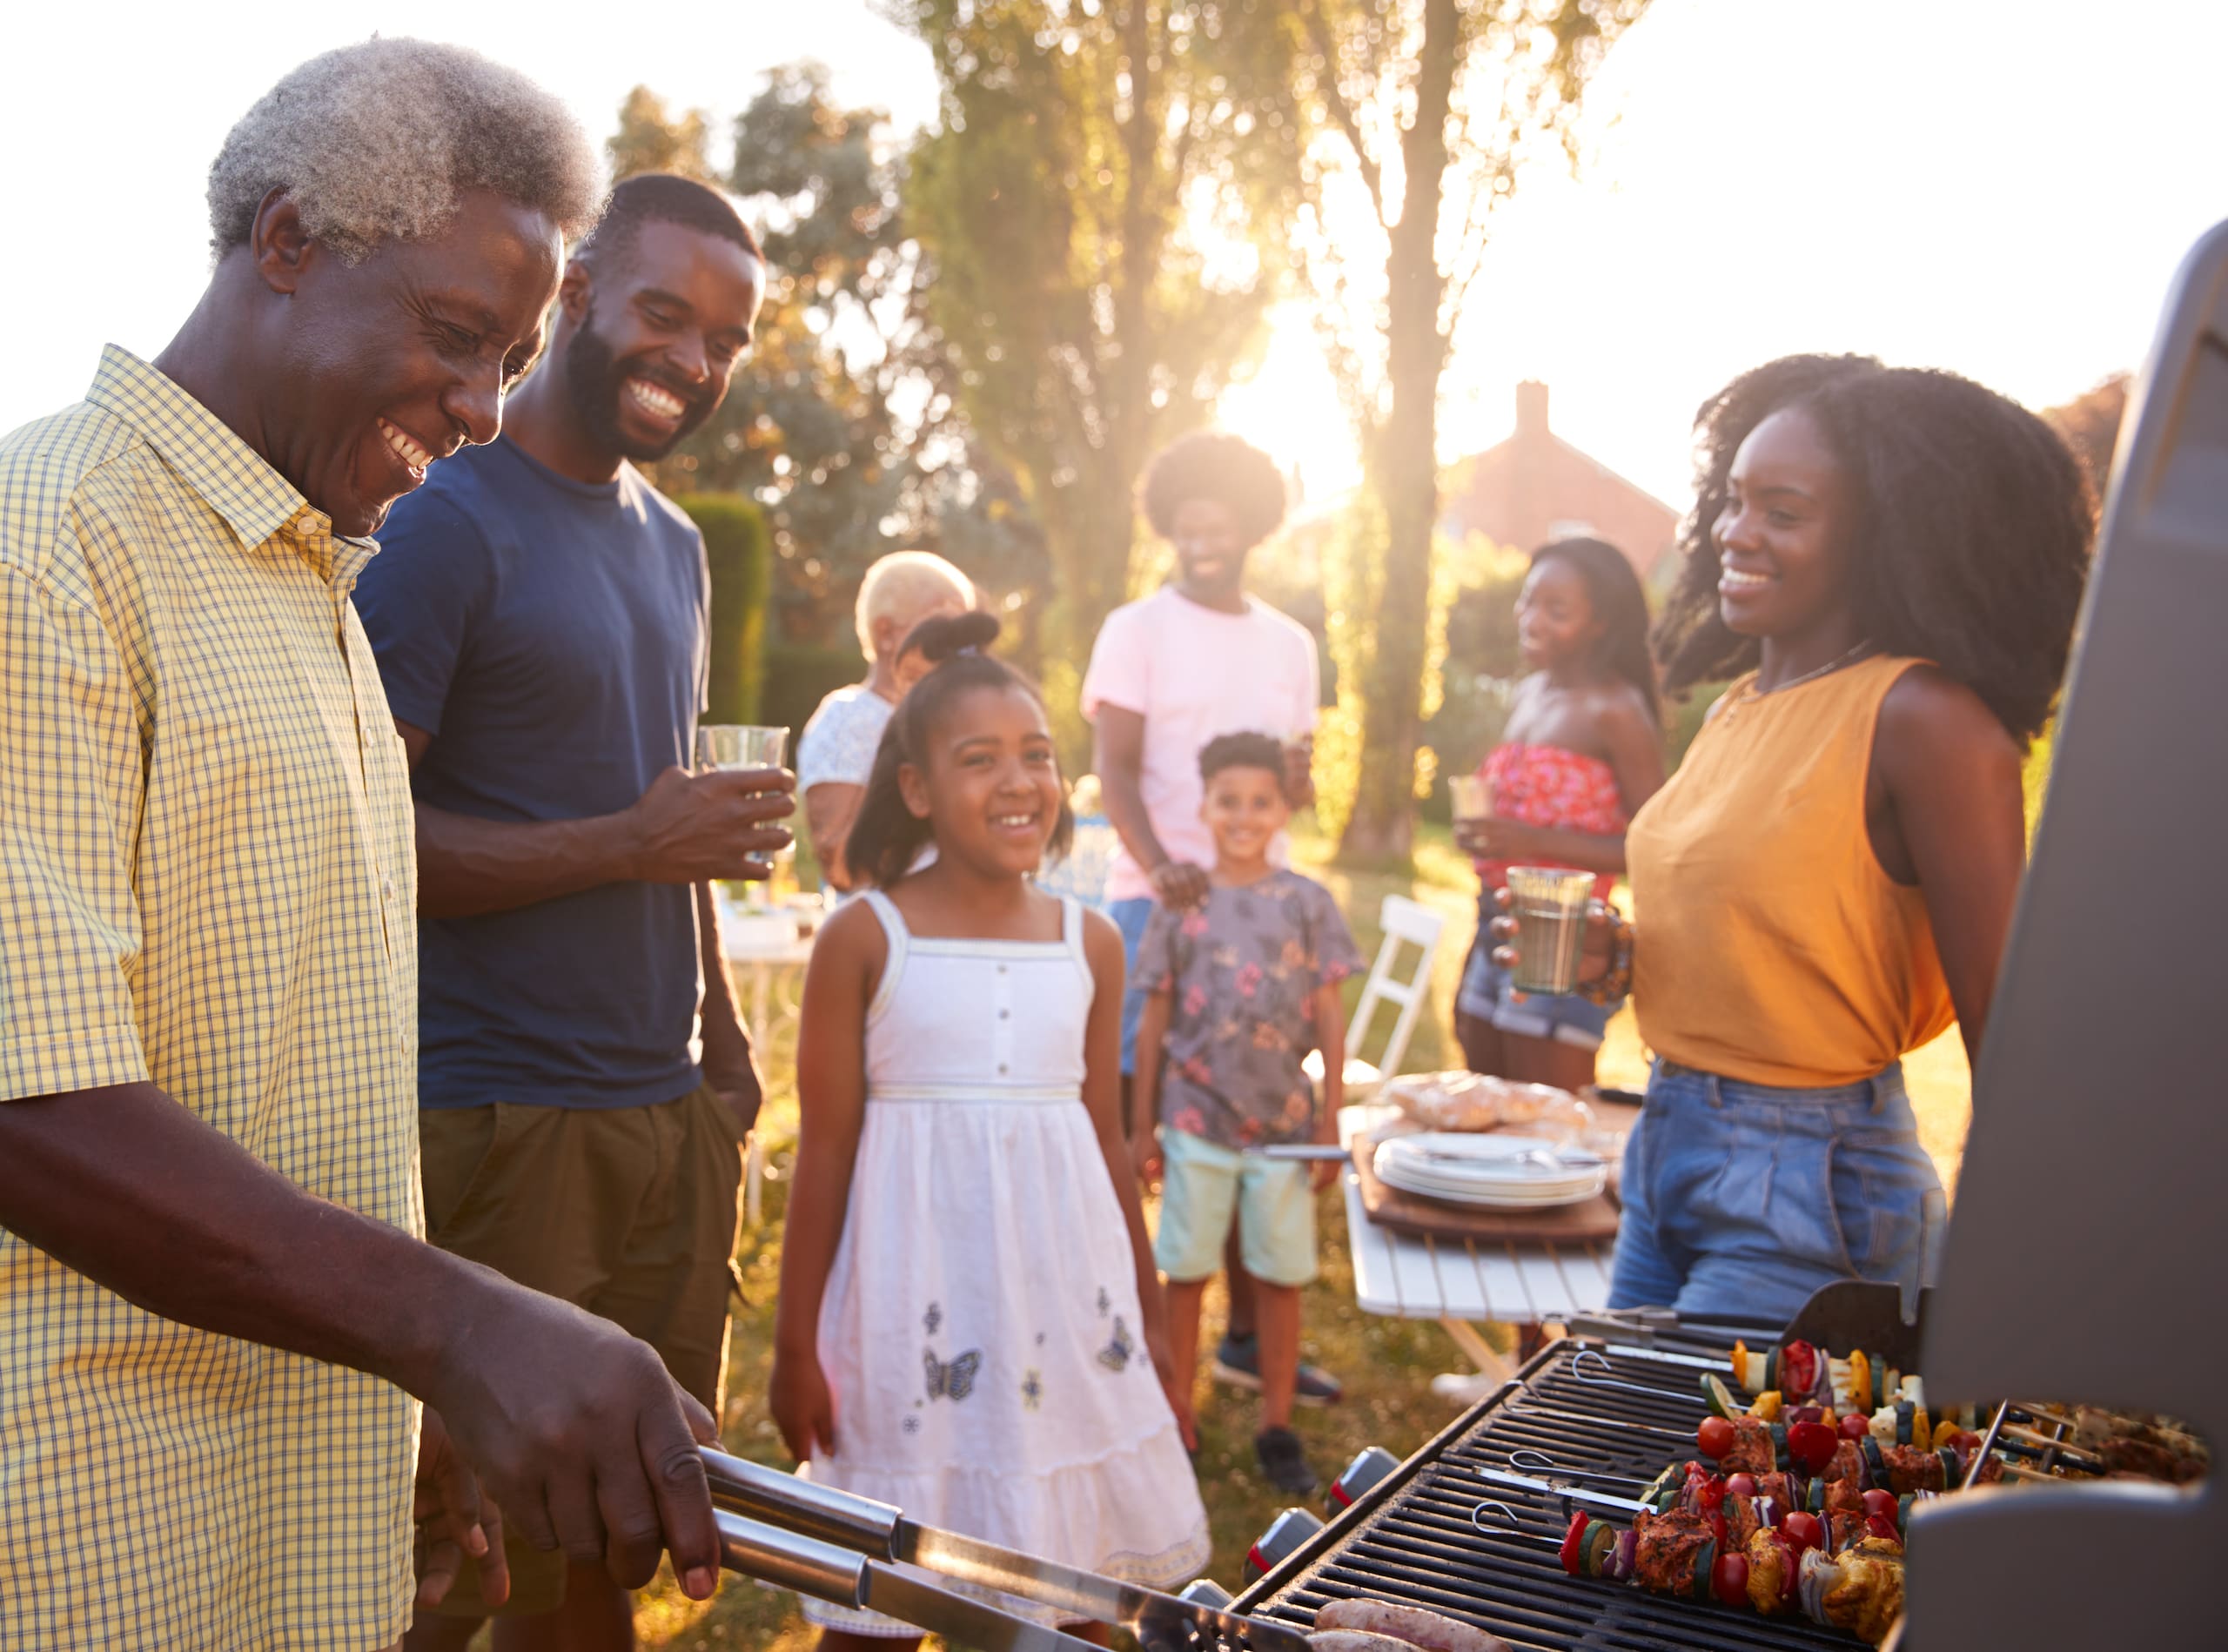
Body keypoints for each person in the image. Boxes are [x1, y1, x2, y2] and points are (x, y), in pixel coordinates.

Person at [0, 40, 730, 1651]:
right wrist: (456, 1322)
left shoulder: (317, 574)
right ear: (286, 241)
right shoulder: (44, 544)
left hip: (294, 1484)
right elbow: (32, 1103)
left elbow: (296, 1062)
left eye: (511, 356)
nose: (482, 411)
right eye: (459, 338)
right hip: (97, 1523)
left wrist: (412, 1395)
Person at [352, 171, 789, 1651]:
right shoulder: (441, 521)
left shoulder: (677, 542)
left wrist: (722, 1053)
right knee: (464, 1567)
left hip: (664, 1113)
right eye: (666, 312)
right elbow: (362, 847)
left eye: (727, 339)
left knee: (613, 1536)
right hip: (499, 1119)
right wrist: (627, 840)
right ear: (582, 291)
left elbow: (669, 826)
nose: (693, 360)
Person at [1495, 354, 2092, 1324]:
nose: (1735, 531)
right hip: (1664, 1155)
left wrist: (2007, 1277)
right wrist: (1620, 958)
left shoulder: (1925, 719)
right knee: (1623, 1460)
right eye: (1733, 500)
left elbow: (2008, 1025)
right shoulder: (1741, 705)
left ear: (1879, 536)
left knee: (1687, 1463)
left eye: (1782, 510)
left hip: (1812, 1194)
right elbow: (1782, 934)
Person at [771, 612, 1209, 1649]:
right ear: (916, 787)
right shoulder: (863, 936)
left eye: (1039, 756)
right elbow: (825, 1152)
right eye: (980, 760)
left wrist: (1151, 1318)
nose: (1019, 781)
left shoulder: (1091, 943)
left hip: (1069, 1313)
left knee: (1086, 1596)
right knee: (875, 1606)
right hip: (909, 1315)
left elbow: (1106, 1145)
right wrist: (795, 1342)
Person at [1081, 430, 1342, 1407]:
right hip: (1154, 902)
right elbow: (1112, 764)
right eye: (1186, 520)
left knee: (1251, 1111)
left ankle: (1239, 1338)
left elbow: (1286, 779)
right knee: (1135, 1114)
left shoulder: (1288, 644)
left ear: (1249, 524)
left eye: (1218, 520)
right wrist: (1163, 865)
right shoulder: (1135, 628)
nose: (1203, 536)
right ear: (1169, 522)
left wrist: (1294, 792)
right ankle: (1125, 1331)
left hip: (1257, 916)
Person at [1131, 734, 1363, 1494]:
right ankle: (1176, 1415)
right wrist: (1141, 1126)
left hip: (1285, 1127)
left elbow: (1329, 1016)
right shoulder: (1183, 902)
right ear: (1202, 805)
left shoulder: (1307, 903)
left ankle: (1276, 1425)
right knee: (1187, 1269)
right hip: (1195, 1118)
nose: (1242, 814)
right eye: (1227, 800)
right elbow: (1153, 1020)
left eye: (1260, 801)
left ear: (1283, 808)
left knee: (1279, 1273)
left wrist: (1330, 1118)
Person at [1453, 538, 1665, 1091]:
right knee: (1481, 1100)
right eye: (1528, 602)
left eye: (1557, 610)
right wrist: (1486, 835)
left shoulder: (1616, 711)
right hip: (1492, 921)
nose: (1531, 619)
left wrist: (1524, 838)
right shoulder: (1530, 693)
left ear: (1601, 624)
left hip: (1565, 938)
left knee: (1540, 1118)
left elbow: (1654, 847)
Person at [797, 549, 975, 895]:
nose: (960, 653)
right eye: (944, 633)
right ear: (887, 634)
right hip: (884, 934)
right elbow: (839, 863)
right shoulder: (849, 717)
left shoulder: (954, 719)